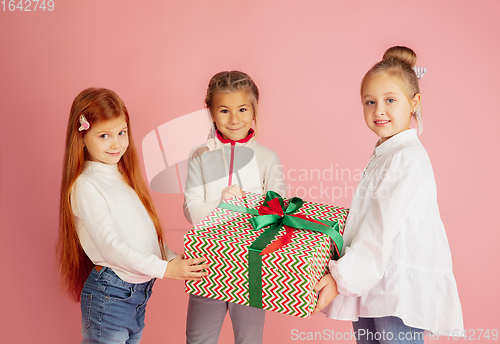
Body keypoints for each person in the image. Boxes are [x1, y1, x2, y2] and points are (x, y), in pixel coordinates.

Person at [314, 46, 463, 343]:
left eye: (390, 100)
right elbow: (368, 222)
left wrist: (340, 278)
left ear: (414, 103)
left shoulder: (405, 158)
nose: (378, 110)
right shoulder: (386, 154)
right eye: (369, 101)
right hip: (372, 281)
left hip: (395, 287)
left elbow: (378, 230)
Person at [57, 87, 208, 344]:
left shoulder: (122, 178)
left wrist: (174, 259)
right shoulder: (86, 186)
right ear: (81, 137)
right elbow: (112, 248)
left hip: (135, 295)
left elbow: (145, 235)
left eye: (121, 132)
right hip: (112, 294)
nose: (116, 143)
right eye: (104, 135)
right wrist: (166, 269)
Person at [183, 71, 286, 344]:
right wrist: (222, 205)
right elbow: (191, 209)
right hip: (207, 265)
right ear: (211, 112)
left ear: (253, 110)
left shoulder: (267, 158)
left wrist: (249, 207)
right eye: (224, 110)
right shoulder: (199, 156)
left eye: (242, 109)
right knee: (198, 339)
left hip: (252, 265)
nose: (234, 119)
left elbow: (278, 214)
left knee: (250, 340)